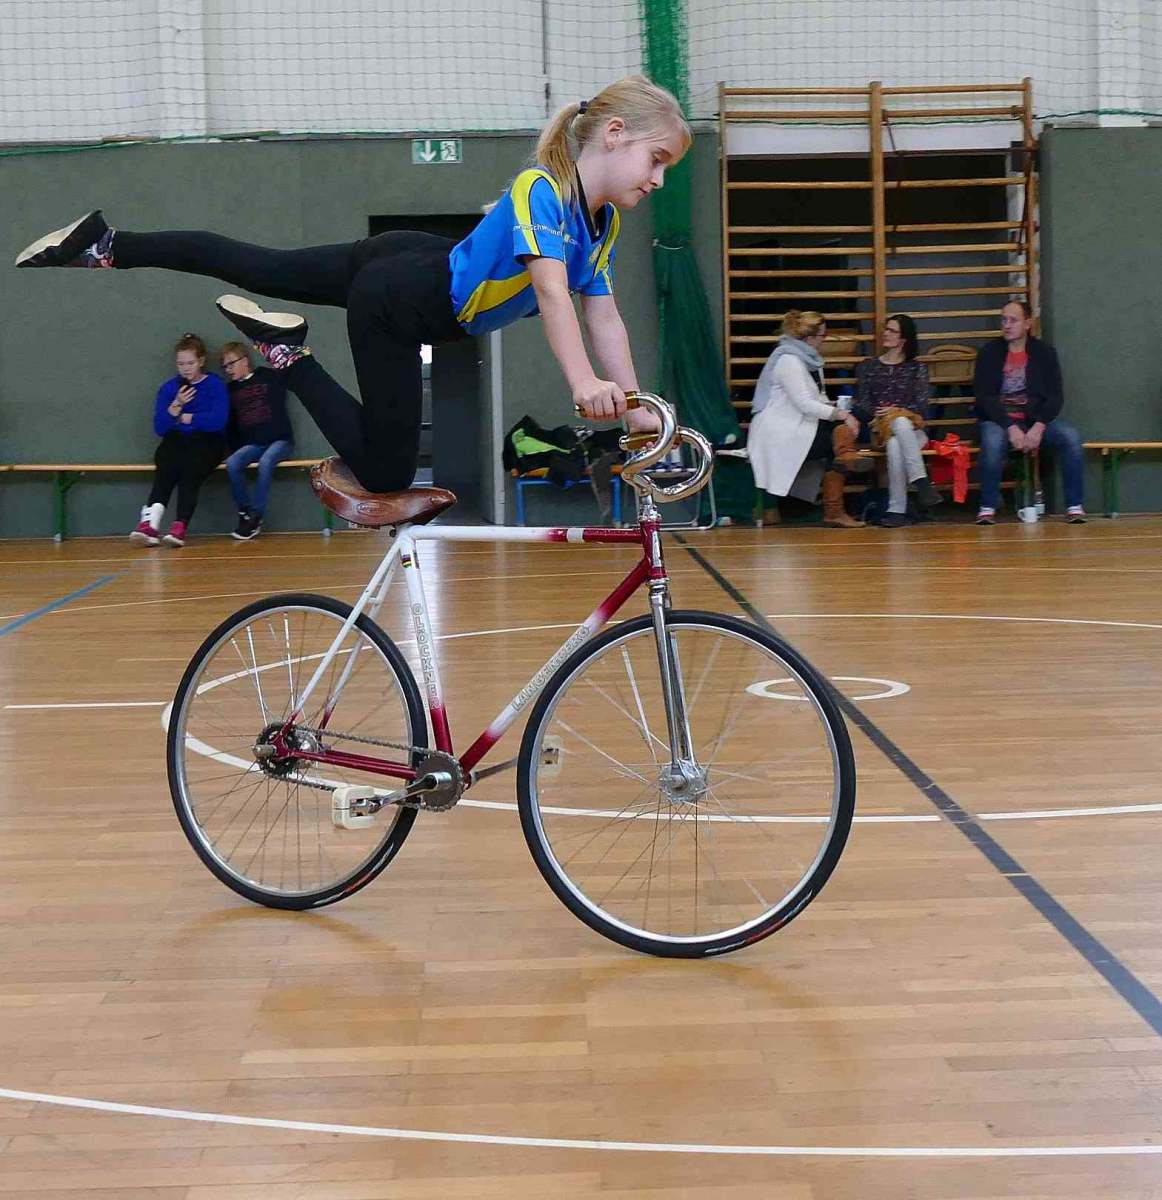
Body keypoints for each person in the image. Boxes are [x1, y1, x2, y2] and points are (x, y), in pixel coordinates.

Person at [15, 76, 685, 496]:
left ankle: (103, 245)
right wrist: (582, 384)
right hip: (403, 301)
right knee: (387, 474)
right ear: (614, 134)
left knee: (258, 265)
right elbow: (552, 295)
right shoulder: (542, 191)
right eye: (656, 160)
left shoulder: (599, 227)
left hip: (410, 261)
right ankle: (289, 355)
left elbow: (605, 319)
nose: (657, 180)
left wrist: (633, 407)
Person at [748, 310, 865, 529]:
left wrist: (839, 411)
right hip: (778, 431)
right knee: (837, 444)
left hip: (798, 425)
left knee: (840, 435)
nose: (824, 340)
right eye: (822, 336)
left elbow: (818, 399)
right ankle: (834, 509)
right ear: (809, 338)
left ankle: (835, 500)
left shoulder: (810, 361)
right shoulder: (789, 361)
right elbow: (804, 403)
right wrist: (843, 415)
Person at [973, 299, 1086, 525]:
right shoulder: (989, 353)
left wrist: (1039, 426)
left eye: (1013, 320)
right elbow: (985, 397)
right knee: (993, 441)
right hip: (999, 421)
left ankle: (1074, 505)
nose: (1007, 325)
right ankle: (987, 507)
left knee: (1071, 437)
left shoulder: (1045, 353)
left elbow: (1055, 396)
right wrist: (1010, 427)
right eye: (1003, 320)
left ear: (1027, 323)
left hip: (1035, 419)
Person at [131, 333, 229, 547]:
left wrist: (187, 417)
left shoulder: (214, 385)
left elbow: (217, 421)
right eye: (181, 364)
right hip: (178, 441)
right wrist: (176, 404)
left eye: (190, 363)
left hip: (208, 441)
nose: (185, 369)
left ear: (201, 361)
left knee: (191, 470)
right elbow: (160, 427)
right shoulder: (169, 388)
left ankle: (180, 526)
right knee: (165, 465)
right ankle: (149, 524)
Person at [853, 313, 942, 527]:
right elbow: (863, 403)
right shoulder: (869, 366)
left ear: (903, 339)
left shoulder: (917, 368)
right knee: (895, 430)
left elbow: (921, 406)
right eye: (886, 329)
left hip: (913, 430)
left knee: (897, 436)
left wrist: (898, 410)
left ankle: (896, 510)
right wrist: (881, 412)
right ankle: (920, 480)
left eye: (892, 330)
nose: (885, 333)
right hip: (880, 428)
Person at [220, 342, 295, 539]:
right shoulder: (231, 390)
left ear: (245, 361)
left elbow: (285, 378)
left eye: (231, 364)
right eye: (225, 366)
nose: (228, 370)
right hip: (253, 444)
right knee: (233, 463)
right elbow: (231, 424)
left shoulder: (267, 376)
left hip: (280, 441)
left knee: (266, 462)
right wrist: (233, 449)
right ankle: (244, 513)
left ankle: (256, 516)